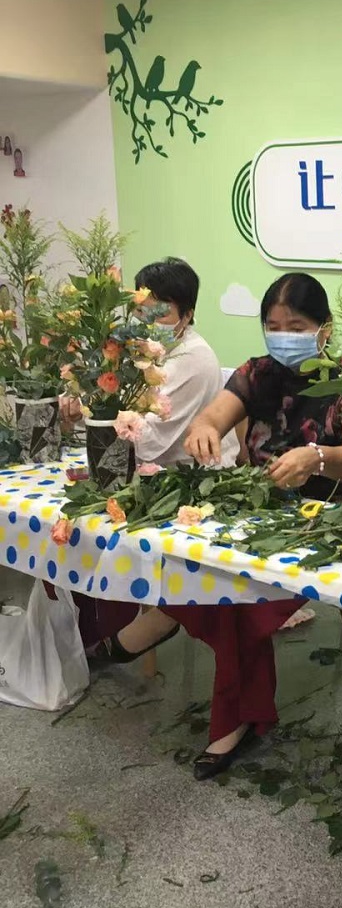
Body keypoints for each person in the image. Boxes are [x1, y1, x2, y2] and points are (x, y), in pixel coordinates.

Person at [176, 272, 342, 779]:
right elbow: (210, 419)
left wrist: (317, 457)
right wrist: (202, 433)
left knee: (236, 599)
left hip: (331, 521)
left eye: (297, 326)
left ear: (325, 329)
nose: (283, 336)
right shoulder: (256, 373)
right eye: (274, 326)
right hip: (264, 515)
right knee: (197, 567)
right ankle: (237, 707)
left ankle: (235, 720)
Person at [60, 258, 240, 661]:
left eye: (161, 311)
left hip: (190, 482)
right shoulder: (139, 352)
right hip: (147, 470)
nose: (148, 320)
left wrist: (93, 417)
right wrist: (82, 402)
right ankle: (81, 633)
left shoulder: (192, 359)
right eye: (142, 309)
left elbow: (148, 438)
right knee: (72, 520)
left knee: (102, 529)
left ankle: (126, 634)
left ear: (187, 314)